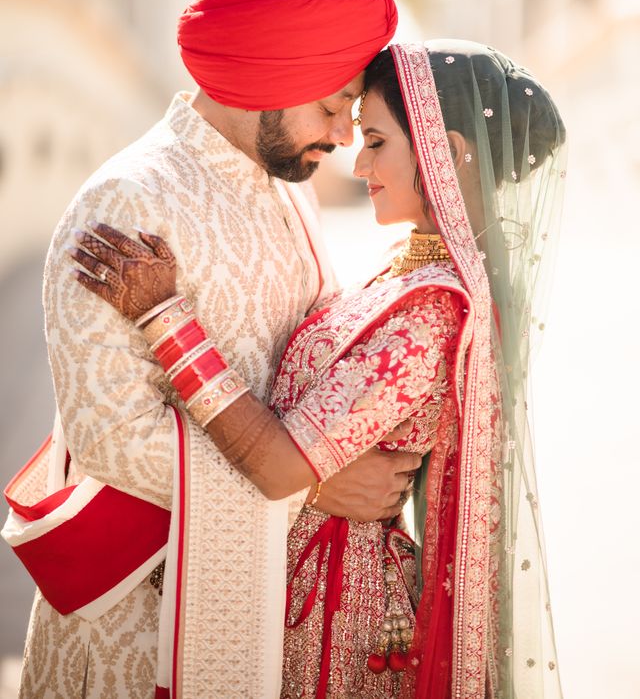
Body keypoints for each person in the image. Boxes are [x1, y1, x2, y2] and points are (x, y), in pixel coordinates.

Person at [71, 40, 567, 699]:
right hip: (303, 576)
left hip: (337, 612)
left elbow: (280, 466)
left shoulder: (433, 312)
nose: (358, 162)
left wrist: (166, 317)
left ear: (446, 153)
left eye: (377, 142)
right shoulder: (410, 270)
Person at [1, 0, 423, 699]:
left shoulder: (285, 192)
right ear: (262, 79)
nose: (339, 135)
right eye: (330, 106)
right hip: (138, 617)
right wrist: (314, 487)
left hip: (274, 602)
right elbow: (113, 439)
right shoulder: (126, 200)